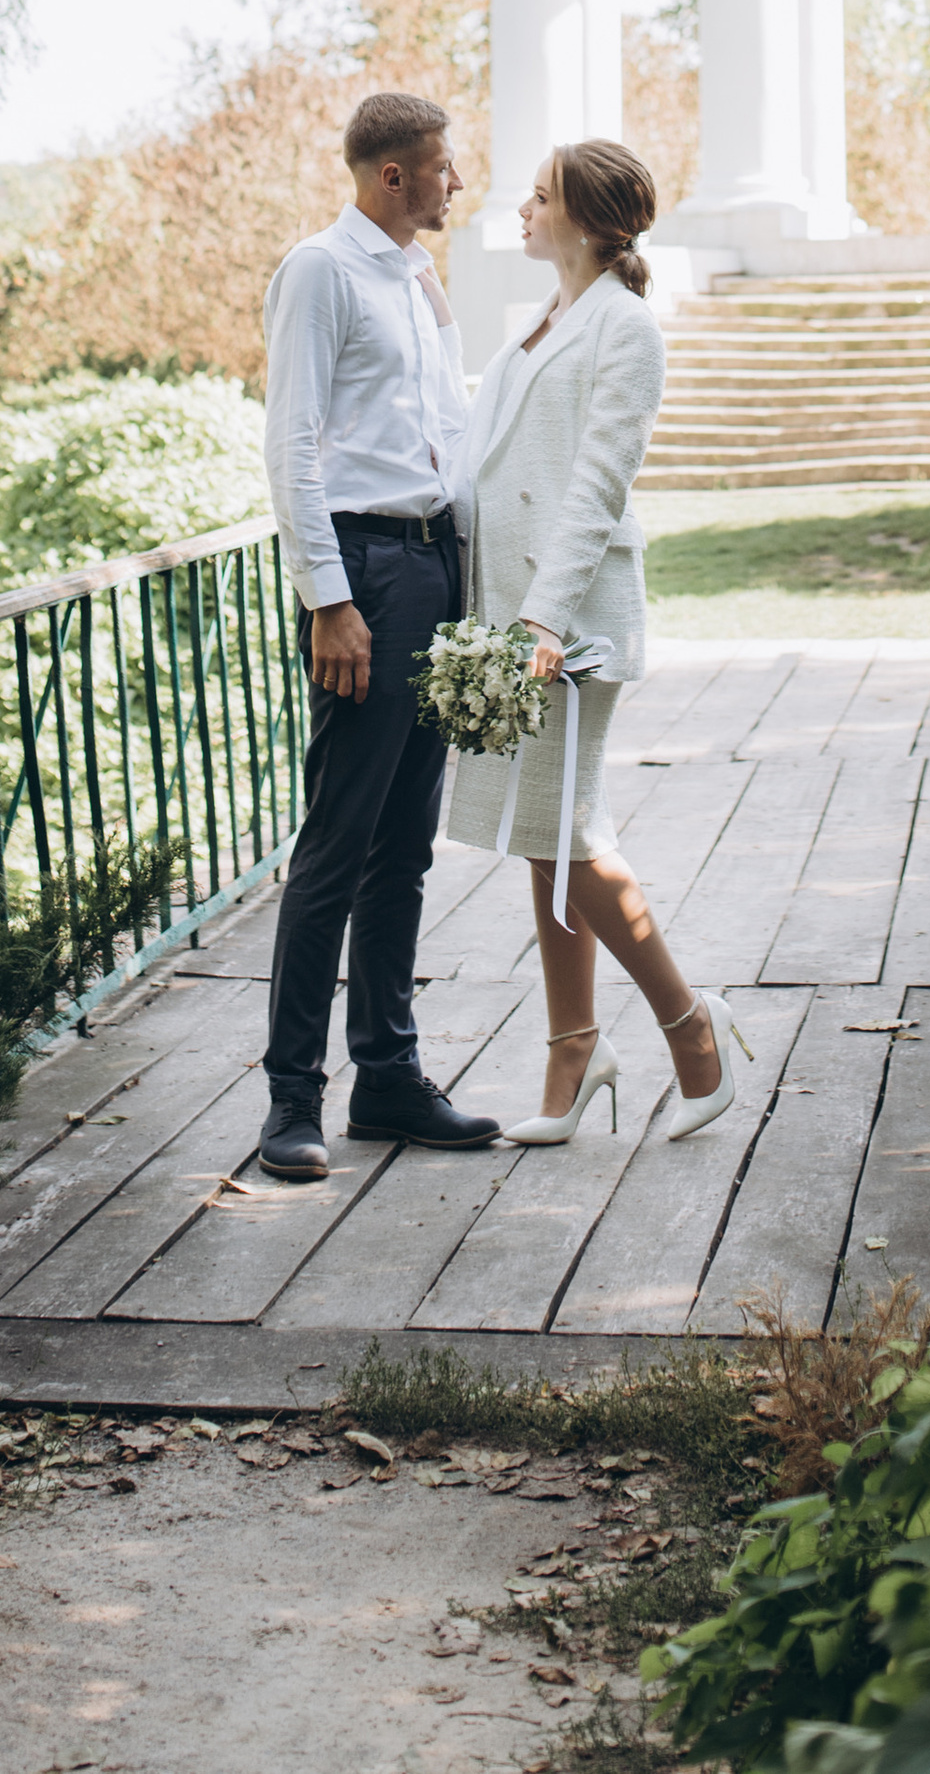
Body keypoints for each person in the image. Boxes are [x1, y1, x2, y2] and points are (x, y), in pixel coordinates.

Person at [445, 139, 749, 1147]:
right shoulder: (543, 318)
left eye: (538, 198)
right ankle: (574, 1050)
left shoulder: (624, 329)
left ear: (583, 218)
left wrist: (544, 613)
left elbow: (596, 483)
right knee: (545, 837)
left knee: (567, 833)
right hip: (512, 612)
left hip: (566, 623)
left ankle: (689, 1029)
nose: (521, 211)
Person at [255, 91, 501, 1182]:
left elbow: (449, 427)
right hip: (366, 574)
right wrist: (327, 597)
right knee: (337, 845)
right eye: (443, 167)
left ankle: (388, 1081)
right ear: (392, 175)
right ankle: (291, 1104)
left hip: (436, 566)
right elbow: (291, 444)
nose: (458, 182)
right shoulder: (320, 271)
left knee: (404, 848)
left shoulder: (415, 278)